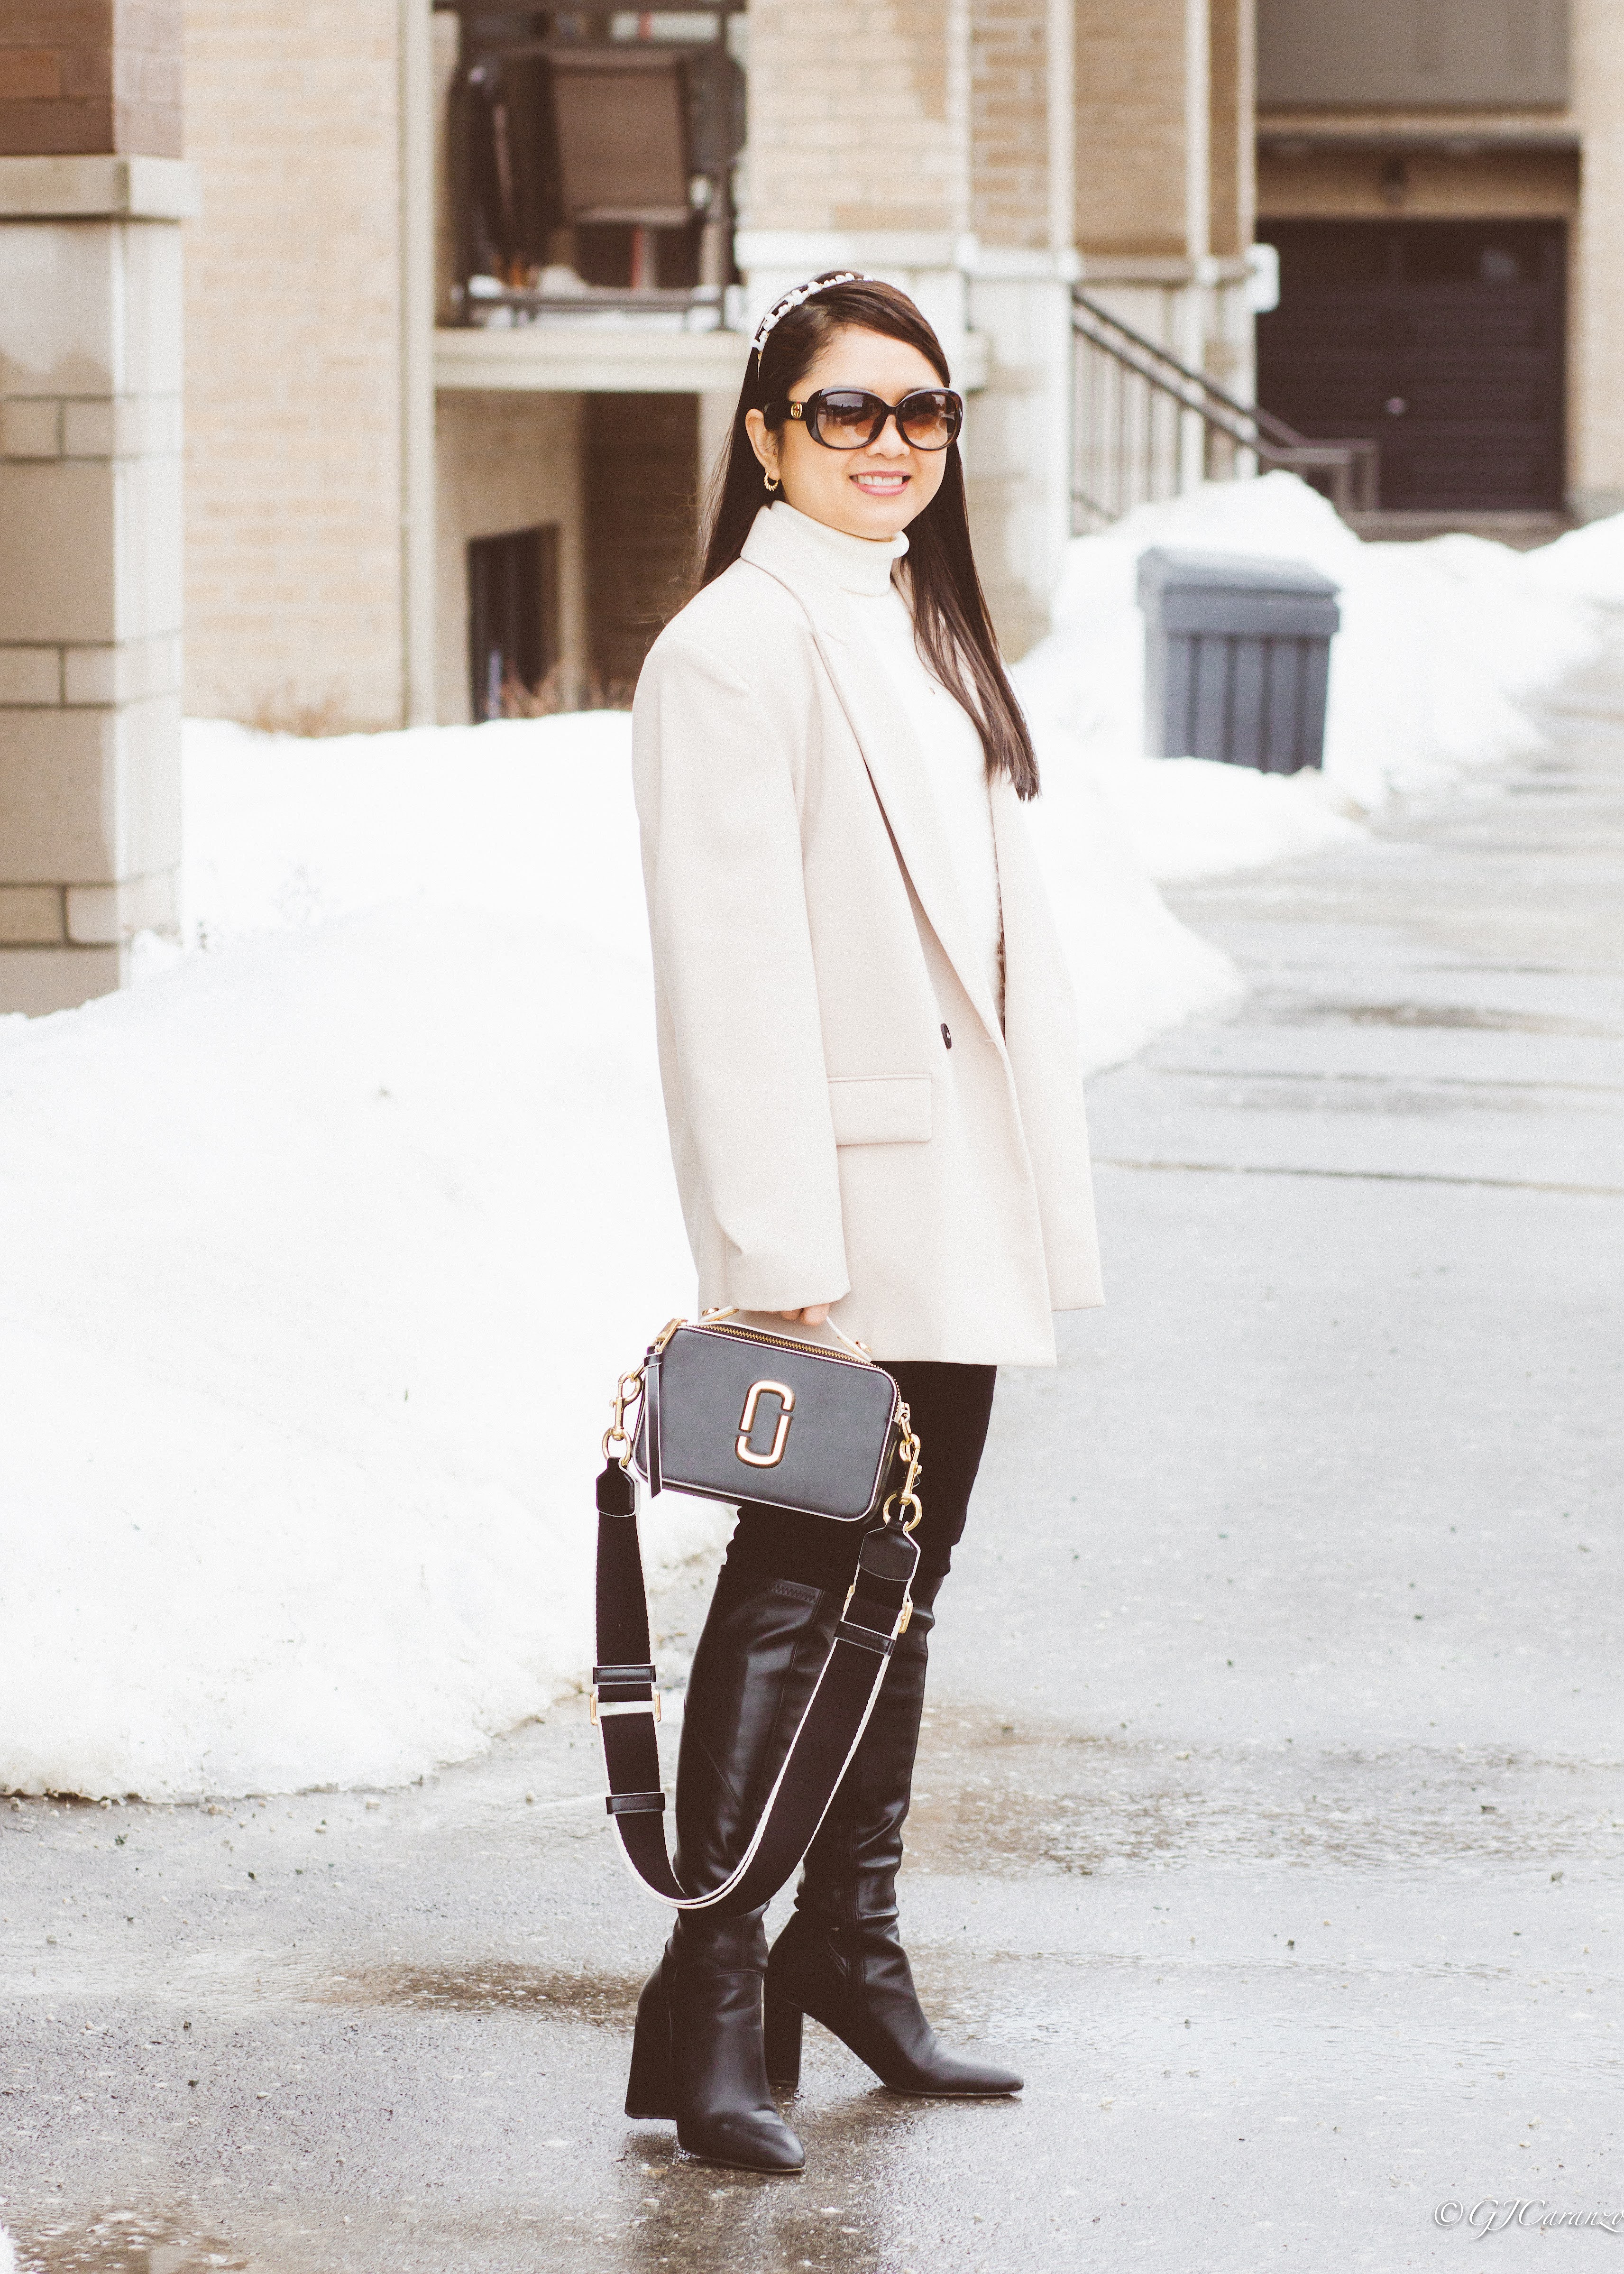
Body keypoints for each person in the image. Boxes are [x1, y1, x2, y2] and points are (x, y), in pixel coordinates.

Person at [625, 272, 1102, 2173]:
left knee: (900, 1589)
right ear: (763, 437)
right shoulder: (733, 650)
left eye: (919, 410)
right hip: (839, 1212)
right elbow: (724, 974)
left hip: (948, 1192)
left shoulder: (917, 623)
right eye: (845, 412)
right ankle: (716, 1986)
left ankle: (850, 1941)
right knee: (795, 1588)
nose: (890, 441)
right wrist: (777, 1258)